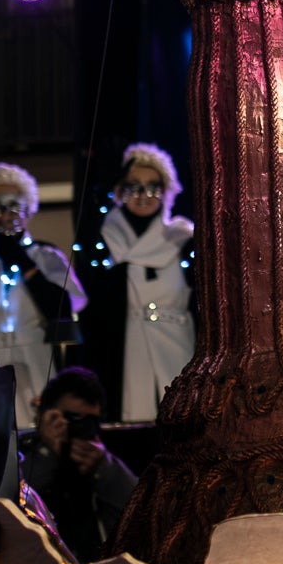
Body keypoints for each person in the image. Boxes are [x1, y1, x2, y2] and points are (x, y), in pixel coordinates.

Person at [0, 163, 85, 425]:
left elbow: (66, 303)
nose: (6, 213)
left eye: (13, 204)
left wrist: (26, 265)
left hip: (35, 357)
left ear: (27, 207)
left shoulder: (45, 255)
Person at [74, 144, 197, 421]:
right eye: (133, 186)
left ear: (166, 191)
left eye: (153, 186)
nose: (143, 195)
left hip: (179, 345)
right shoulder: (104, 239)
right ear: (119, 190)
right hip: (123, 351)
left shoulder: (182, 237)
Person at [20, 366, 137, 562]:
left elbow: (139, 510)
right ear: (45, 415)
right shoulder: (24, 457)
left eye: (90, 421)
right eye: (72, 419)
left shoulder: (102, 464)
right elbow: (16, 504)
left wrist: (103, 468)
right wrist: (48, 454)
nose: (79, 428)